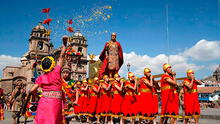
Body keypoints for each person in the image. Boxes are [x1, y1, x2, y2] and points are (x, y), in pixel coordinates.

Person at [30, 36, 67, 124]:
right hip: (55, 103)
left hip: (43, 101)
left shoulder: (41, 77)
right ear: (52, 64)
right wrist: (64, 44)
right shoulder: (57, 71)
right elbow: (62, 56)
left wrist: (36, 97)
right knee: (53, 121)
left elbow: (32, 90)